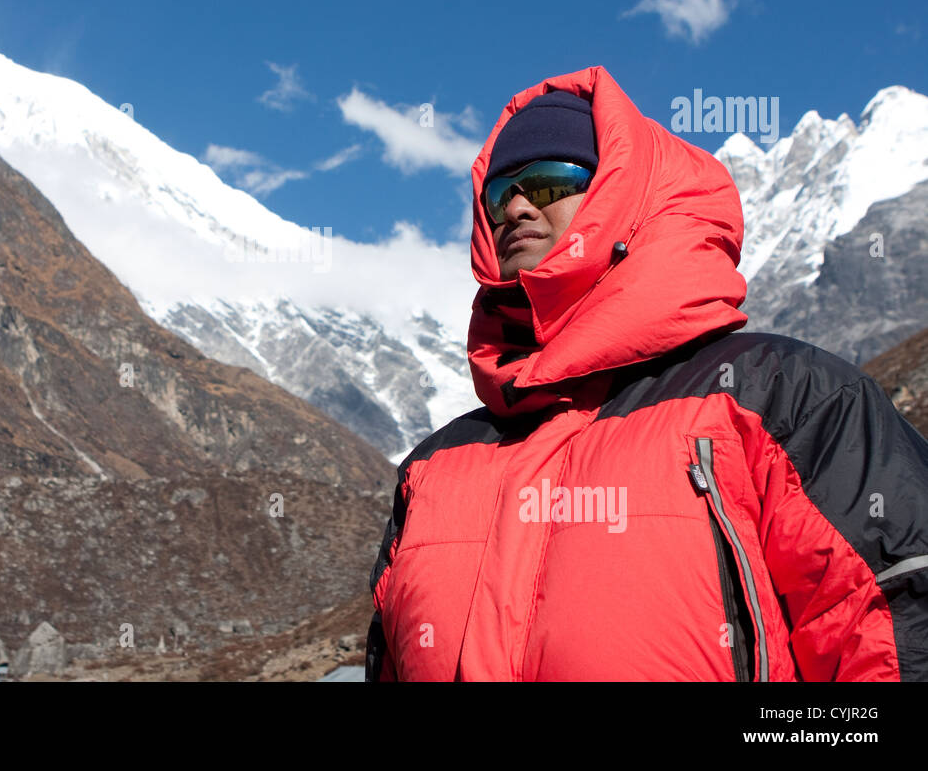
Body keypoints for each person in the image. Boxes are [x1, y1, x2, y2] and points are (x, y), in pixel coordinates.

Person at [366, 66, 928, 681]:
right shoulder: (431, 468)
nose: (518, 207)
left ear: (622, 195)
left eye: (550, 182)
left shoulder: (785, 399)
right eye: (501, 195)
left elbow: (893, 634)